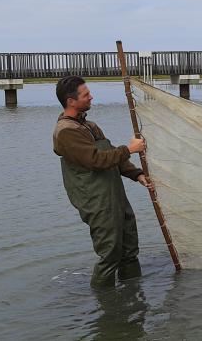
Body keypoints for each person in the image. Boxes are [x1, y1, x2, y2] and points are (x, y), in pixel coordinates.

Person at [52, 76, 153, 289]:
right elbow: (96, 160)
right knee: (110, 254)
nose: (91, 97)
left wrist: (137, 174)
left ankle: (132, 293)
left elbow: (110, 153)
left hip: (115, 196)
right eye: (85, 94)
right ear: (71, 101)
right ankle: (105, 303)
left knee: (129, 250)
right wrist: (130, 149)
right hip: (96, 201)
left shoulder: (89, 125)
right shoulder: (65, 132)